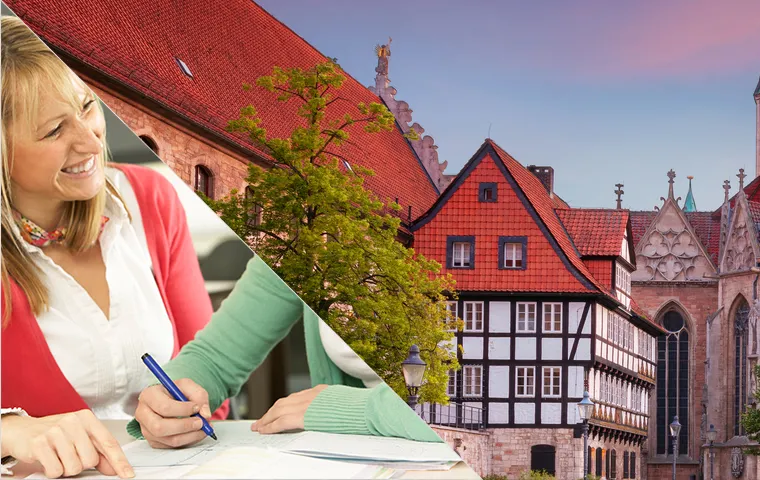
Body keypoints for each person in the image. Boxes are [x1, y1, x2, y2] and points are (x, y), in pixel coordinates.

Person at [0, 14, 210, 478]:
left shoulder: (150, 201)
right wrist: (9, 430)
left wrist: (190, 402)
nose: (91, 140)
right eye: (54, 130)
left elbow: (206, 358)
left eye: (89, 106)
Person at [130, 256, 444, 447]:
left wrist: (352, 410)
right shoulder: (301, 229)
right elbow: (214, 357)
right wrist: (168, 401)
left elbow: (468, 404)